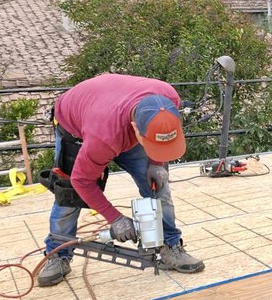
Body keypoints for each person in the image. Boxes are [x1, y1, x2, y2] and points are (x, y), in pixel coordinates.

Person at [38, 73, 205, 287]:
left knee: (159, 189)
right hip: (77, 127)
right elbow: (82, 181)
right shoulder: (104, 137)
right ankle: (58, 254)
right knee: (69, 196)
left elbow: (158, 134)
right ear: (137, 130)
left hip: (115, 115)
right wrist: (115, 218)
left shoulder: (168, 99)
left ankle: (170, 247)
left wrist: (156, 162)